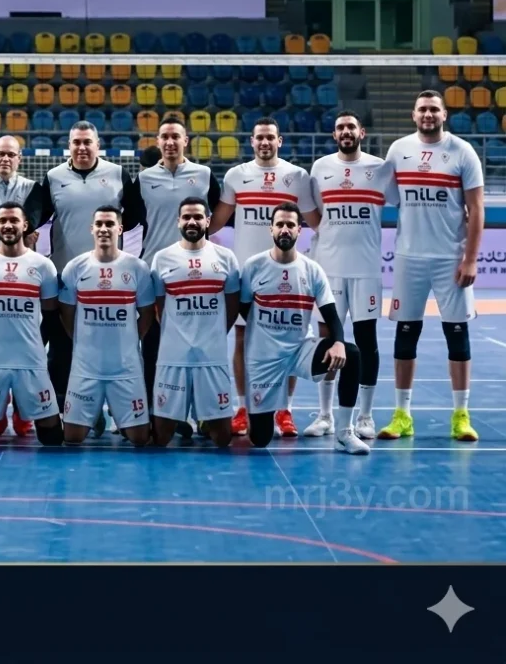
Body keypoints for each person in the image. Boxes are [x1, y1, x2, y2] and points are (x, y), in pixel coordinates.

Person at [379, 90, 484, 442]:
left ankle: (461, 416)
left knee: (457, 334)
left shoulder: (462, 151)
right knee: (406, 333)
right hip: (409, 258)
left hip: (450, 259)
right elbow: (386, 195)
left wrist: (470, 258)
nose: (428, 114)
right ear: (413, 115)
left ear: (444, 114)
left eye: (433, 109)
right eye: (422, 109)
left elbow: (476, 209)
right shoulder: (399, 150)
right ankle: (402, 415)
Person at [208, 116, 319, 438]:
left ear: (279, 141)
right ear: (252, 141)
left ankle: (284, 410)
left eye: (271, 137)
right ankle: (244, 408)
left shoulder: (297, 177)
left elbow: (317, 222)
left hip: (287, 273)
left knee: (291, 341)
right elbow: (216, 222)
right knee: (242, 340)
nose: (265, 142)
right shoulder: (236, 175)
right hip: (248, 275)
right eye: (260, 137)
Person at [32, 120, 144, 419]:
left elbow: (135, 216)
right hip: (65, 276)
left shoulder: (118, 174)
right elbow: (37, 216)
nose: (82, 148)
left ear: (98, 145)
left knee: (111, 344)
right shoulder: (54, 177)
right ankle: (63, 409)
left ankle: (116, 410)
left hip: (109, 279)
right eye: (76, 143)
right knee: (62, 347)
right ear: (69, 146)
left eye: (87, 142)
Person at [238, 204, 371, 454]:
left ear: (299, 230)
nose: (284, 229)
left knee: (352, 354)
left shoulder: (312, 270)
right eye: (280, 224)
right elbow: (242, 308)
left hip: (300, 351)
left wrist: (338, 342)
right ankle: (260, 415)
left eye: (290, 225)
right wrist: (267, 334)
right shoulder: (253, 266)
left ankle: (344, 432)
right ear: (271, 229)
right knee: (261, 439)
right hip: (264, 359)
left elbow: (331, 315)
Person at [303, 111, 392, 440]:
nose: (346, 132)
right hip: (329, 270)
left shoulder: (380, 168)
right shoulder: (321, 168)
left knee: (366, 342)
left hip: (366, 270)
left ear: (362, 132)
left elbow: (408, 201)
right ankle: (325, 415)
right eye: (340, 127)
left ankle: (365, 416)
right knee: (328, 340)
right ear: (334, 134)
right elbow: (315, 216)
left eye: (351, 127)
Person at [137, 115, 220, 437]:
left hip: (195, 277)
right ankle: (153, 412)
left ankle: (204, 413)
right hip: (154, 274)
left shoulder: (204, 175)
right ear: (158, 142)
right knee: (154, 347)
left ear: (186, 141)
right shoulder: (143, 179)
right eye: (165, 137)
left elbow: (218, 216)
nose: (170, 142)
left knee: (197, 348)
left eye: (176, 137)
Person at [0, 202, 64, 446]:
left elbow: (51, 316)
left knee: (52, 438)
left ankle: (19, 407)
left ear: (25, 225)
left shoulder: (43, 266)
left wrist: (37, 347)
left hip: (31, 363)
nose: (8, 225)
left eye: (14, 220)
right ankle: (0, 404)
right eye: (3, 221)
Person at [59, 206, 154, 446]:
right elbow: (67, 313)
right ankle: (94, 415)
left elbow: (146, 313)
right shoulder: (76, 267)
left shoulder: (137, 268)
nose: (104, 229)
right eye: (99, 224)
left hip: (125, 368)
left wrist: (130, 341)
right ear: (91, 229)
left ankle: (116, 414)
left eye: (110, 224)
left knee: (140, 439)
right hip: (86, 367)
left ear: (119, 229)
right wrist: (82, 341)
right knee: (72, 438)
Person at [149, 197, 240, 448]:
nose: (192, 222)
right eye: (187, 217)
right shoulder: (162, 258)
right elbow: (158, 307)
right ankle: (186, 415)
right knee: (161, 438)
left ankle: (202, 416)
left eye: (198, 217)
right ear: (178, 221)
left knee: (222, 439)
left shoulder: (226, 257)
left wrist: (214, 333)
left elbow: (232, 306)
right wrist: (177, 333)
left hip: (212, 357)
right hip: (173, 357)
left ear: (207, 221)